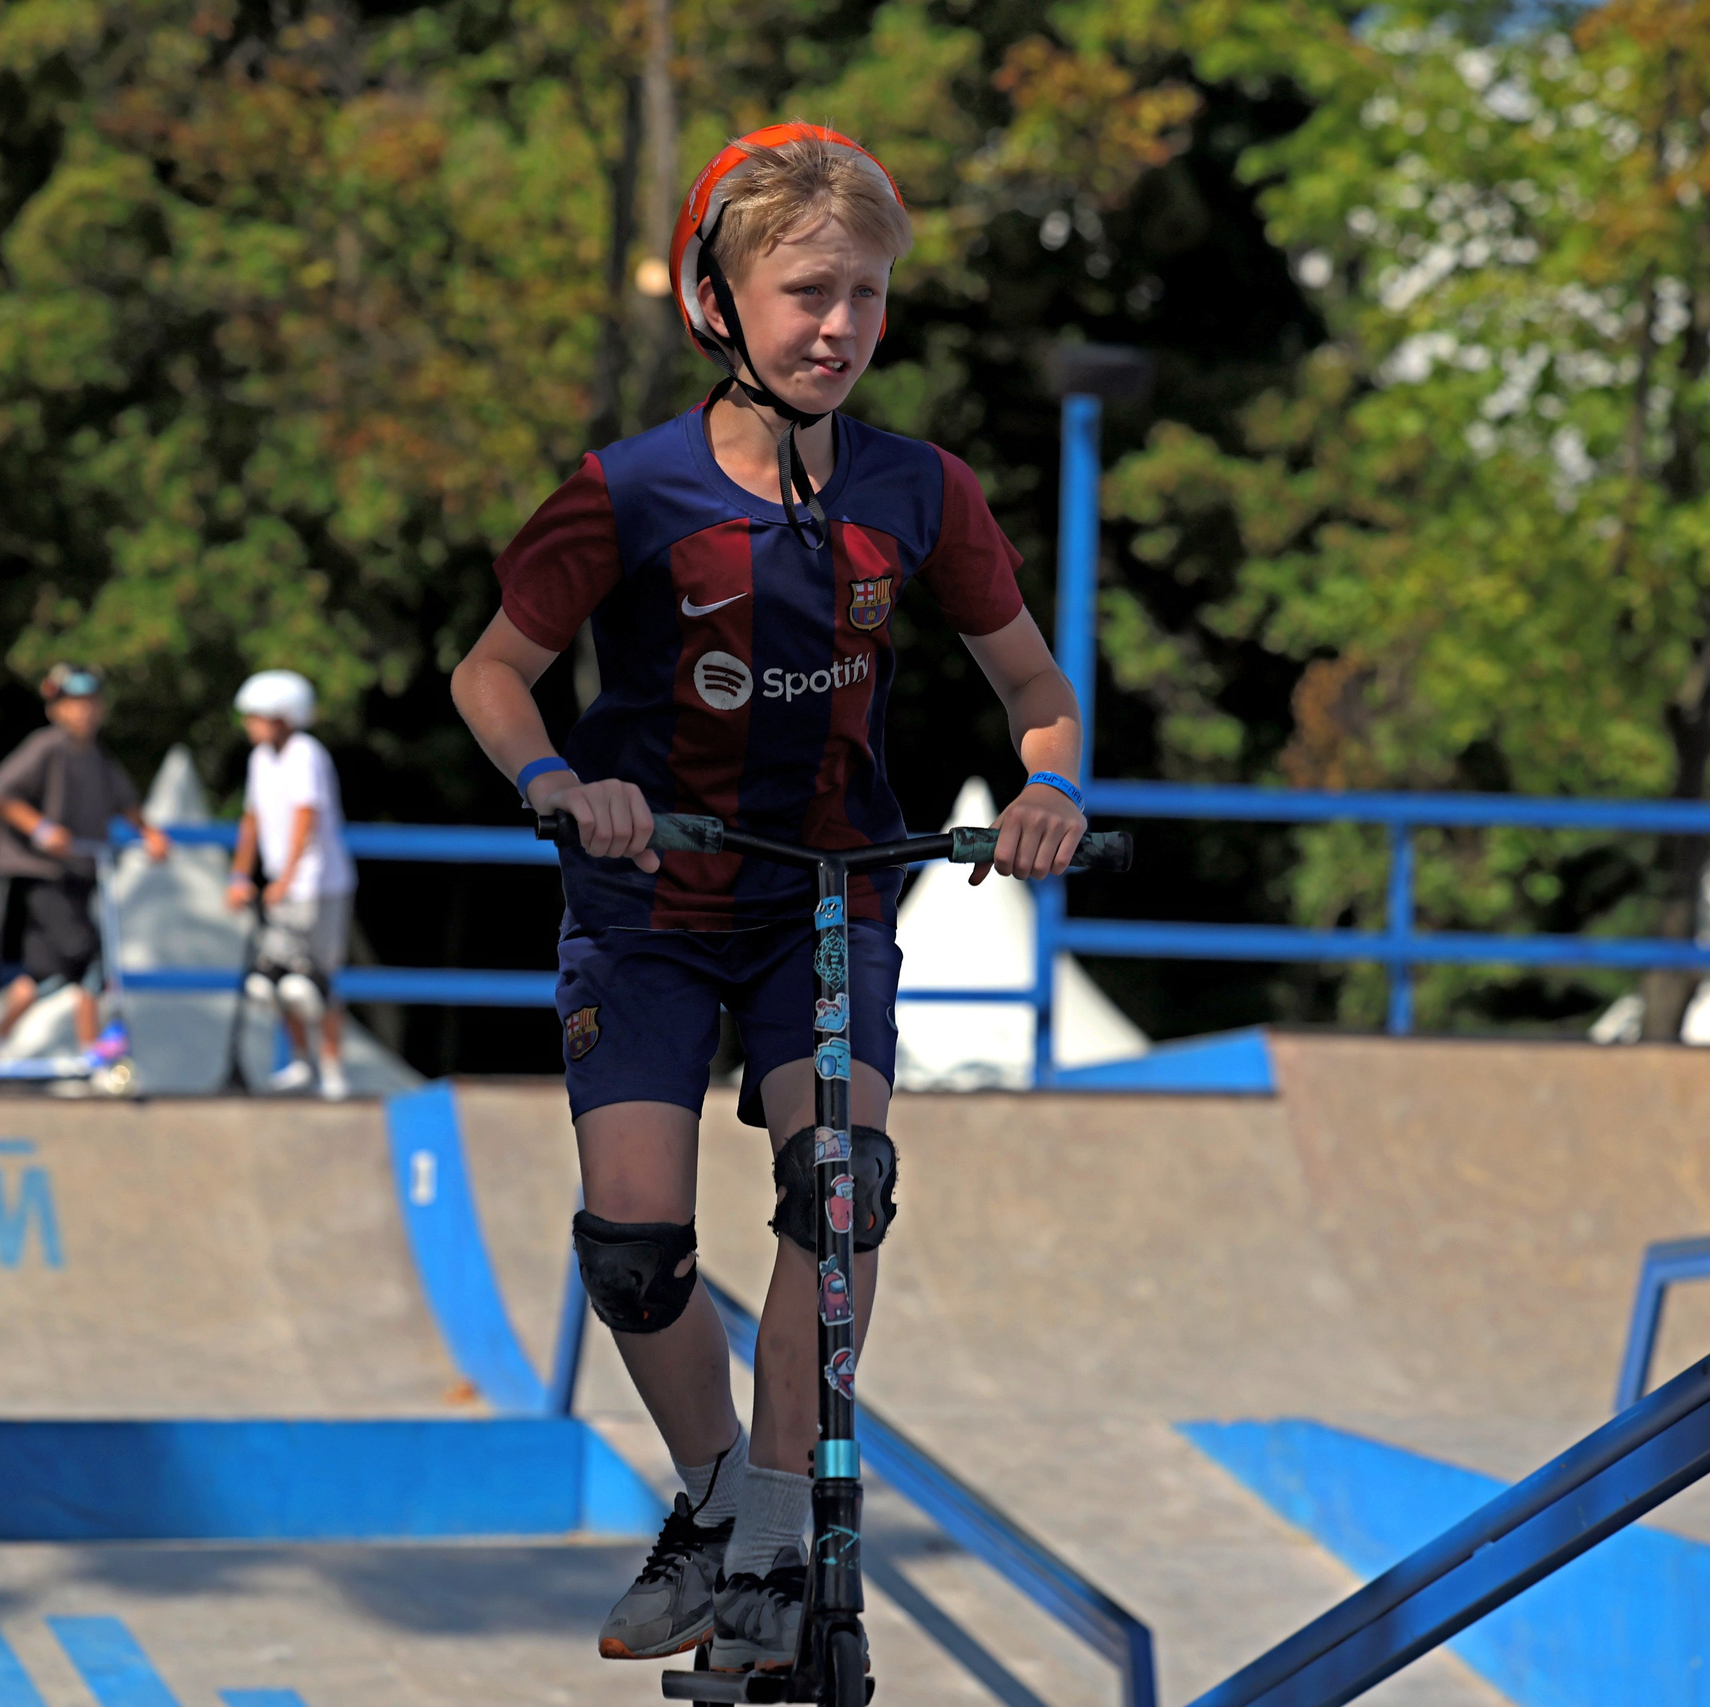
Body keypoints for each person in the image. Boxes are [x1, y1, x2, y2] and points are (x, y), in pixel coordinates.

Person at [448, 125, 1090, 1674]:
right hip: (648, 900)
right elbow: (492, 672)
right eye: (808, 292)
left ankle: (781, 1529)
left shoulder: (920, 489)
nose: (840, 326)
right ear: (715, 302)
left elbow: (1039, 689)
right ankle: (718, 1495)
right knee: (632, 1247)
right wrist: (557, 781)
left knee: (839, 1184)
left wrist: (1051, 788)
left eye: (866, 295)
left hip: (826, 894)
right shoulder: (626, 491)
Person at [0, 664, 169, 1056]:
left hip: (82, 875)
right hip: (47, 877)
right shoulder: (47, 747)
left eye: (90, 703)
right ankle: (91, 1051)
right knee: (89, 958)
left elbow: (126, 803)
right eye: (74, 703)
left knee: (43, 975)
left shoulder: (98, 757)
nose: (84, 711)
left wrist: (150, 834)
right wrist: (42, 828)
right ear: (56, 709)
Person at [225, 669, 358, 1101]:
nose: (249, 724)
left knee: (315, 982)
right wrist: (240, 875)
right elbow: (252, 819)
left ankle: (333, 1070)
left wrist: (285, 878)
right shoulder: (260, 759)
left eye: (256, 716)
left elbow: (306, 815)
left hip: (320, 886)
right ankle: (301, 1061)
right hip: (281, 888)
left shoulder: (305, 753)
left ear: (281, 716)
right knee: (275, 982)